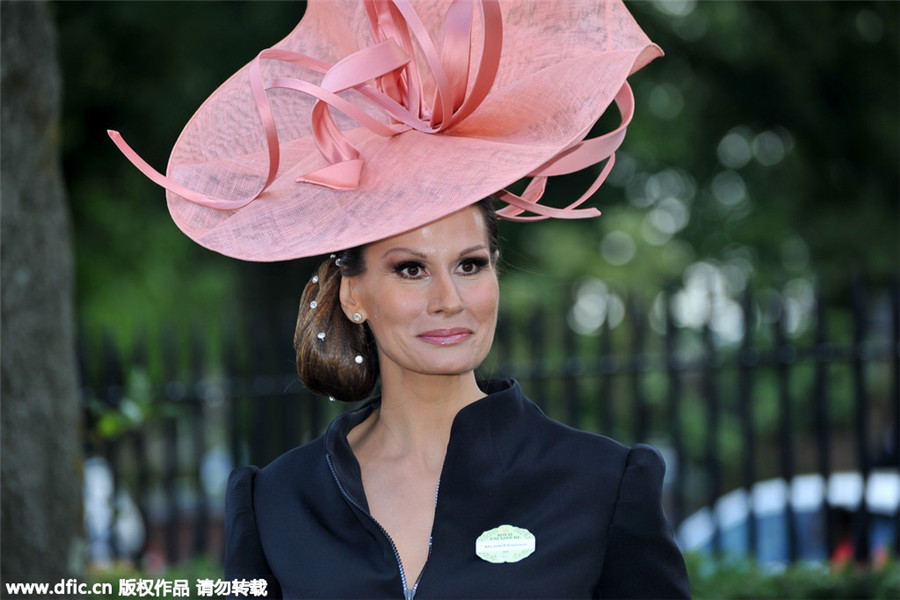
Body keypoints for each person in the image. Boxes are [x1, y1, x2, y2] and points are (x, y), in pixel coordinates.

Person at [109, 1, 690, 597]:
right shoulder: (277, 501)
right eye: (410, 269)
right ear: (355, 294)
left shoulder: (602, 483)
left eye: (470, 264)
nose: (448, 299)